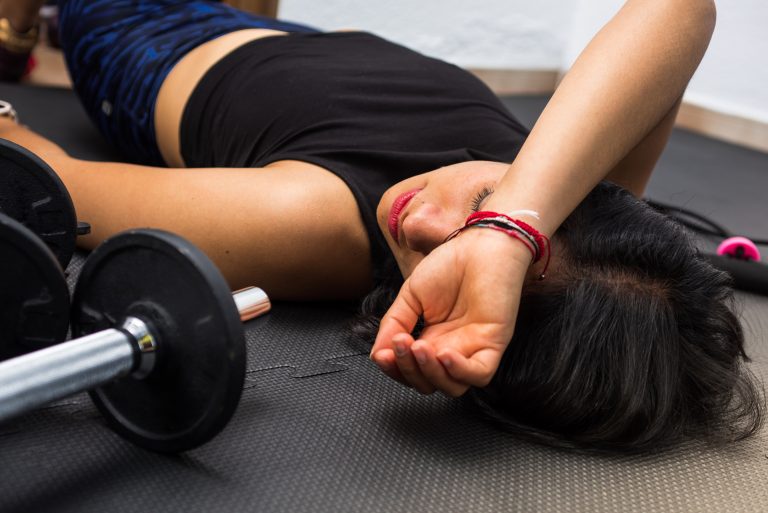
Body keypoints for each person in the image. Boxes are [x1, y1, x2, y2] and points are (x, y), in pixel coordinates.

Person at [0, 0, 761, 453]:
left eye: (437, 258)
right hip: (290, 36)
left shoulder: (312, 223)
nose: (418, 218)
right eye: (479, 207)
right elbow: (681, 10)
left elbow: (46, 177)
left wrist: (497, 228)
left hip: (143, 35)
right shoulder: (559, 205)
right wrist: (510, 228)